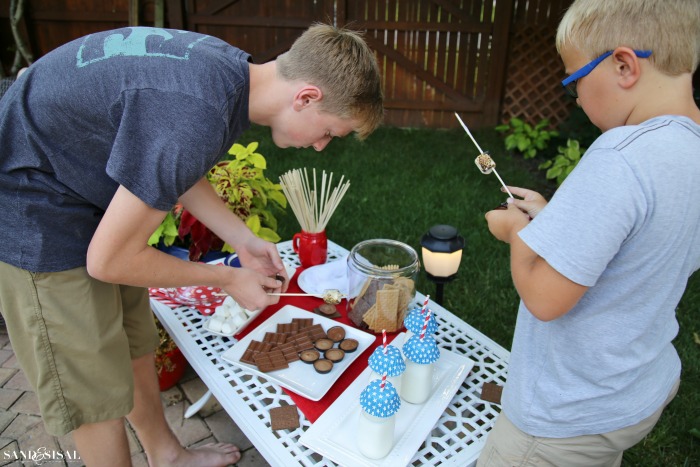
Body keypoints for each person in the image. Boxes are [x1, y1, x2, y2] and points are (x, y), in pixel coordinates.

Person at [0, 23, 383, 466]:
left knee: (133, 342)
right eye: (329, 133)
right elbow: (108, 260)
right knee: (92, 390)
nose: (320, 146)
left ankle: (166, 453)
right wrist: (225, 277)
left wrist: (242, 238)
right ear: (307, 97)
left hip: (81, 189)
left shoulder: (228, 75)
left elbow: (172, 163)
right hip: (29, 199)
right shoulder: (196, 112)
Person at [478, 0, 700, 465]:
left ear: (623, 65)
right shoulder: (689, 150)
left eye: (574, 79)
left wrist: (518, 233)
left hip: (563, 415)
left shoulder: (620, 155)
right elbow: (641, 243)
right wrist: (558, 217)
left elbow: (544, 297)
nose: (575, 97)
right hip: (633, 391)